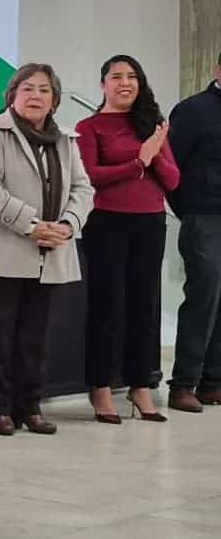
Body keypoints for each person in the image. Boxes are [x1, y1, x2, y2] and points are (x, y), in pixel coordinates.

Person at [0, 64, 94, 436]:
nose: (36, 95)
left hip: (49, 254)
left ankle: (30, 407)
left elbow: (83, 188)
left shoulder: (66, 138)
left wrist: (67, 224)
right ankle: (0, 410)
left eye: (44, 90)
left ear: (55, 100)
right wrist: (32, 225)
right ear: (13, 95)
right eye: (28, 88)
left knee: (34, 339)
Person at [76, 55, 179, 422]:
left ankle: (140, 386)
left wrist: (152, 156)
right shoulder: (89, 127)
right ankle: (100, 387)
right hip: (107, 222)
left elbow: (173, 180)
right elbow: (91, 176)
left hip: (150, 222)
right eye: (117, 76)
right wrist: (138, 162)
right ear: (103, 84)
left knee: (143, 307)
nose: (125, 83)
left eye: (132, 76)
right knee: (106, 306)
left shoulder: (152, 125)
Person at [167, 52, 221, 409]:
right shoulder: (192, 110)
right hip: (204, 218)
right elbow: (170, 169)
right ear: (218, 69)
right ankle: (183, 384)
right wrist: (189, 211)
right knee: (203, 297)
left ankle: (212, 382)